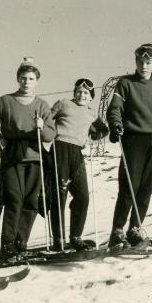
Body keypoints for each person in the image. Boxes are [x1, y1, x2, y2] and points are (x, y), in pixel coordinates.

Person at [0, 57, 56, 265]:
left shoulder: (42, 105)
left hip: (35, 155)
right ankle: (7, 248)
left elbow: (51, 134)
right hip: (12, 154)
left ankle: (21, 245)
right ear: (17, 79)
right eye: (23, 78)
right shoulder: (5, 101)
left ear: (37, 81)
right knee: (13, 199)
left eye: (31, 78)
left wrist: (41, 127)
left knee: (31, 200)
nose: (26, 82)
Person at [105, 43, 152, 248]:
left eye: (148, 62)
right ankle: (117, 231)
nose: (144, 66)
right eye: (141, 62)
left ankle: (135, 228)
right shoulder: (125, 83)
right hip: (133, 139)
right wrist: (115, 125)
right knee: (129, 187)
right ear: (136, 62)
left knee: (147, 187)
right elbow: (115, 109)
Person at [48, 78, 109, 251]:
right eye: (79, 91)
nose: (82, 95)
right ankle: (58, 240)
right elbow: (47, 119)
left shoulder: (91, 113)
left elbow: (104, 130)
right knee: (60, 195)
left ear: (91, 98)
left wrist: (91, 137)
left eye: (86, 93)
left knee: (82, 196)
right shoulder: (64, 104)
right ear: (74, 93)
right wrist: (46, 128)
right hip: (60, 149)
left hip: (76, 153)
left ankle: (76, 237)